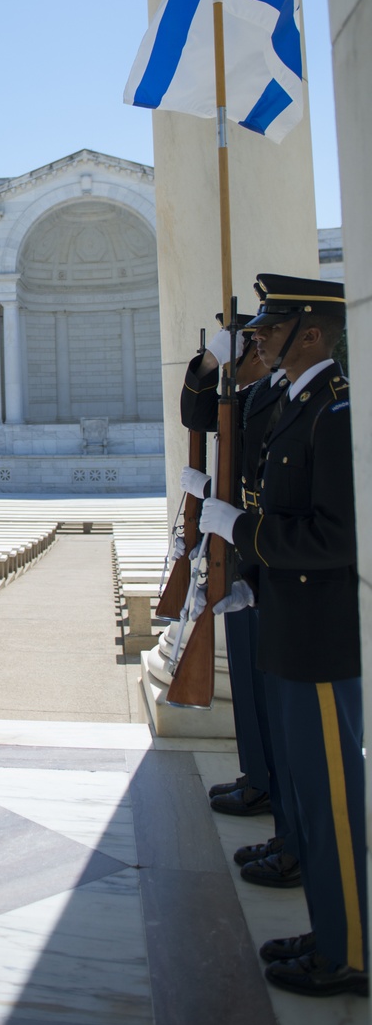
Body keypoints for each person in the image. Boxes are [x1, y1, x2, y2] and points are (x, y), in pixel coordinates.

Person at [200, 275, 367, 998]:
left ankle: (352, 952)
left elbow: (335, 538)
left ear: (311, 333)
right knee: (305, 788)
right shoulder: (302, 405)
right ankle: (331, 930)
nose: (259, 337)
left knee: (333, 799)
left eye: (272, 327)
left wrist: (241, 530)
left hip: (319, 637)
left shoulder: (336, 414)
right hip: (290, 625)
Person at [180, 313, 302, 891]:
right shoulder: (254, 394)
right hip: (249, 551)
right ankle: (258, 778)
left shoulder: (295, 401)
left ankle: (281, 811)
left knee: (276, 701)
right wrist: (212, 360)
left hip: (270, 562)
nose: (254, 345)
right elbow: (197, 416)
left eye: (257, 337)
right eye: (248, 340)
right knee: (254, 693)